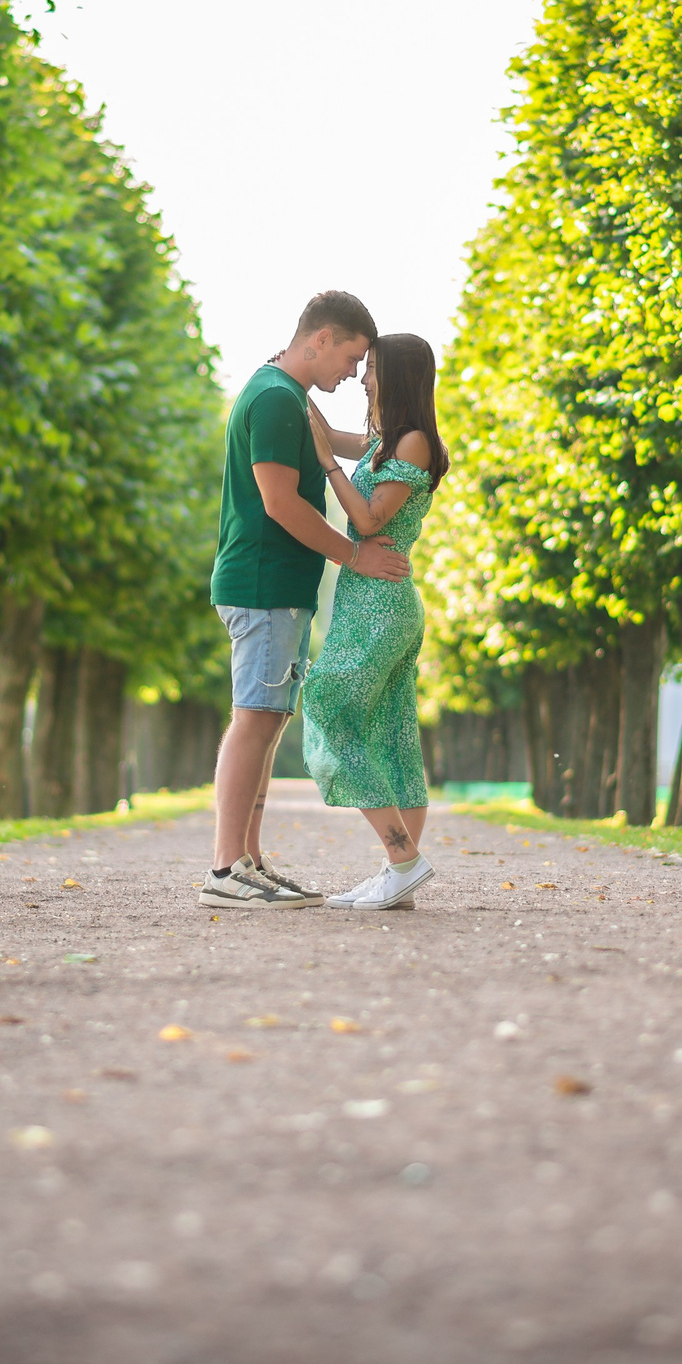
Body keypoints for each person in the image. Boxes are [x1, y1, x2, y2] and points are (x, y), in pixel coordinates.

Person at [198, 292, 412, 910]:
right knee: (254, 719)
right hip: (263, 583)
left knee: (267, 721)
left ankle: (249, 861)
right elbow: (279, 502)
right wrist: (355, 556)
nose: (352, 374)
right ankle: (224, 869)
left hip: (278, 586)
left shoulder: (288, 397)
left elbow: (349, 449)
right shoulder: (273, 399)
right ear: (320, 338)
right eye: (351, 357)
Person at [300, 333, 446, 911]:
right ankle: (399, 881)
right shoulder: (388, 442)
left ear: (400, 376)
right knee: (391, 736)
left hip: (381, 608)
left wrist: (330, 467)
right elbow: (327, 433)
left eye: (373, 370)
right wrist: (293, 382)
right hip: (373, 602)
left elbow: (364, 521)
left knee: (327, 704)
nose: (362, 379)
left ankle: (402, 858)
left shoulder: (411, 443)